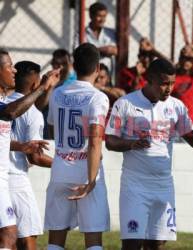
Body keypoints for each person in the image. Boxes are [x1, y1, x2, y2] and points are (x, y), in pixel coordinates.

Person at [105, 58, 193, 250]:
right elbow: (110, 141)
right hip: (134, 185)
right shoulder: (125, 103)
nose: (169, 88)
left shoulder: (176, 106)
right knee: (132, 244)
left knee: (156, 244)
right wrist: (131, 144)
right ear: (149, 79)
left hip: (164, 184)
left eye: (172, 83)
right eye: (164, 83)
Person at [44, 43, 110, 250]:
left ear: (73, 65)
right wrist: (91, 180)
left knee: (55, 239)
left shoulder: (57, 94)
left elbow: (54, 130)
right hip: (87, 174)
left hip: (60, 170)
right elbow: (95, 141)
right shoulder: (98, 97)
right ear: (98, 69)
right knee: (93, 241)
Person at [0, 48, 60, 250]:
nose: (13, 71)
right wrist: (63, 164)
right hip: (15, 181)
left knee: (8, 237)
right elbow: (35, 158)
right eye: (9, 66)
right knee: (21, 238)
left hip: (5, 178)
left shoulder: (5, 101)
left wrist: (19, 146)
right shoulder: (18, 109)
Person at [77, 2, 117, 75]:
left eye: (104, 16)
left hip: (107, 75)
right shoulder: (81, 34)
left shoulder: (110, 33)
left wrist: (91, 51)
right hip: (89, 74)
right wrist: (103, 50)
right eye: (99, 16)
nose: (102, 19)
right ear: (91, 16)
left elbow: (115, 50)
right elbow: (78, 53)